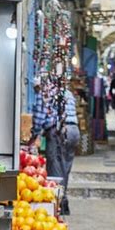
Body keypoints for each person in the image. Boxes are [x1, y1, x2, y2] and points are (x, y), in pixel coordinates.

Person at [28, 83, 64, 179]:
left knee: (52, 161)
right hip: (56, 129)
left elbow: (39, 118)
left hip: (52, 131)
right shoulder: (49, 92)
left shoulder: (40, 95)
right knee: (56, 160)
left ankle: (56, 190)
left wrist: (34, 135)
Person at [59, 87, 80, 216]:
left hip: (65, 129)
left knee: (59, 167)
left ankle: (61, 199)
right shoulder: (70, 94)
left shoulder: (56, 94)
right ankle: (63, 198)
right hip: (74, 130)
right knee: (66, 167)